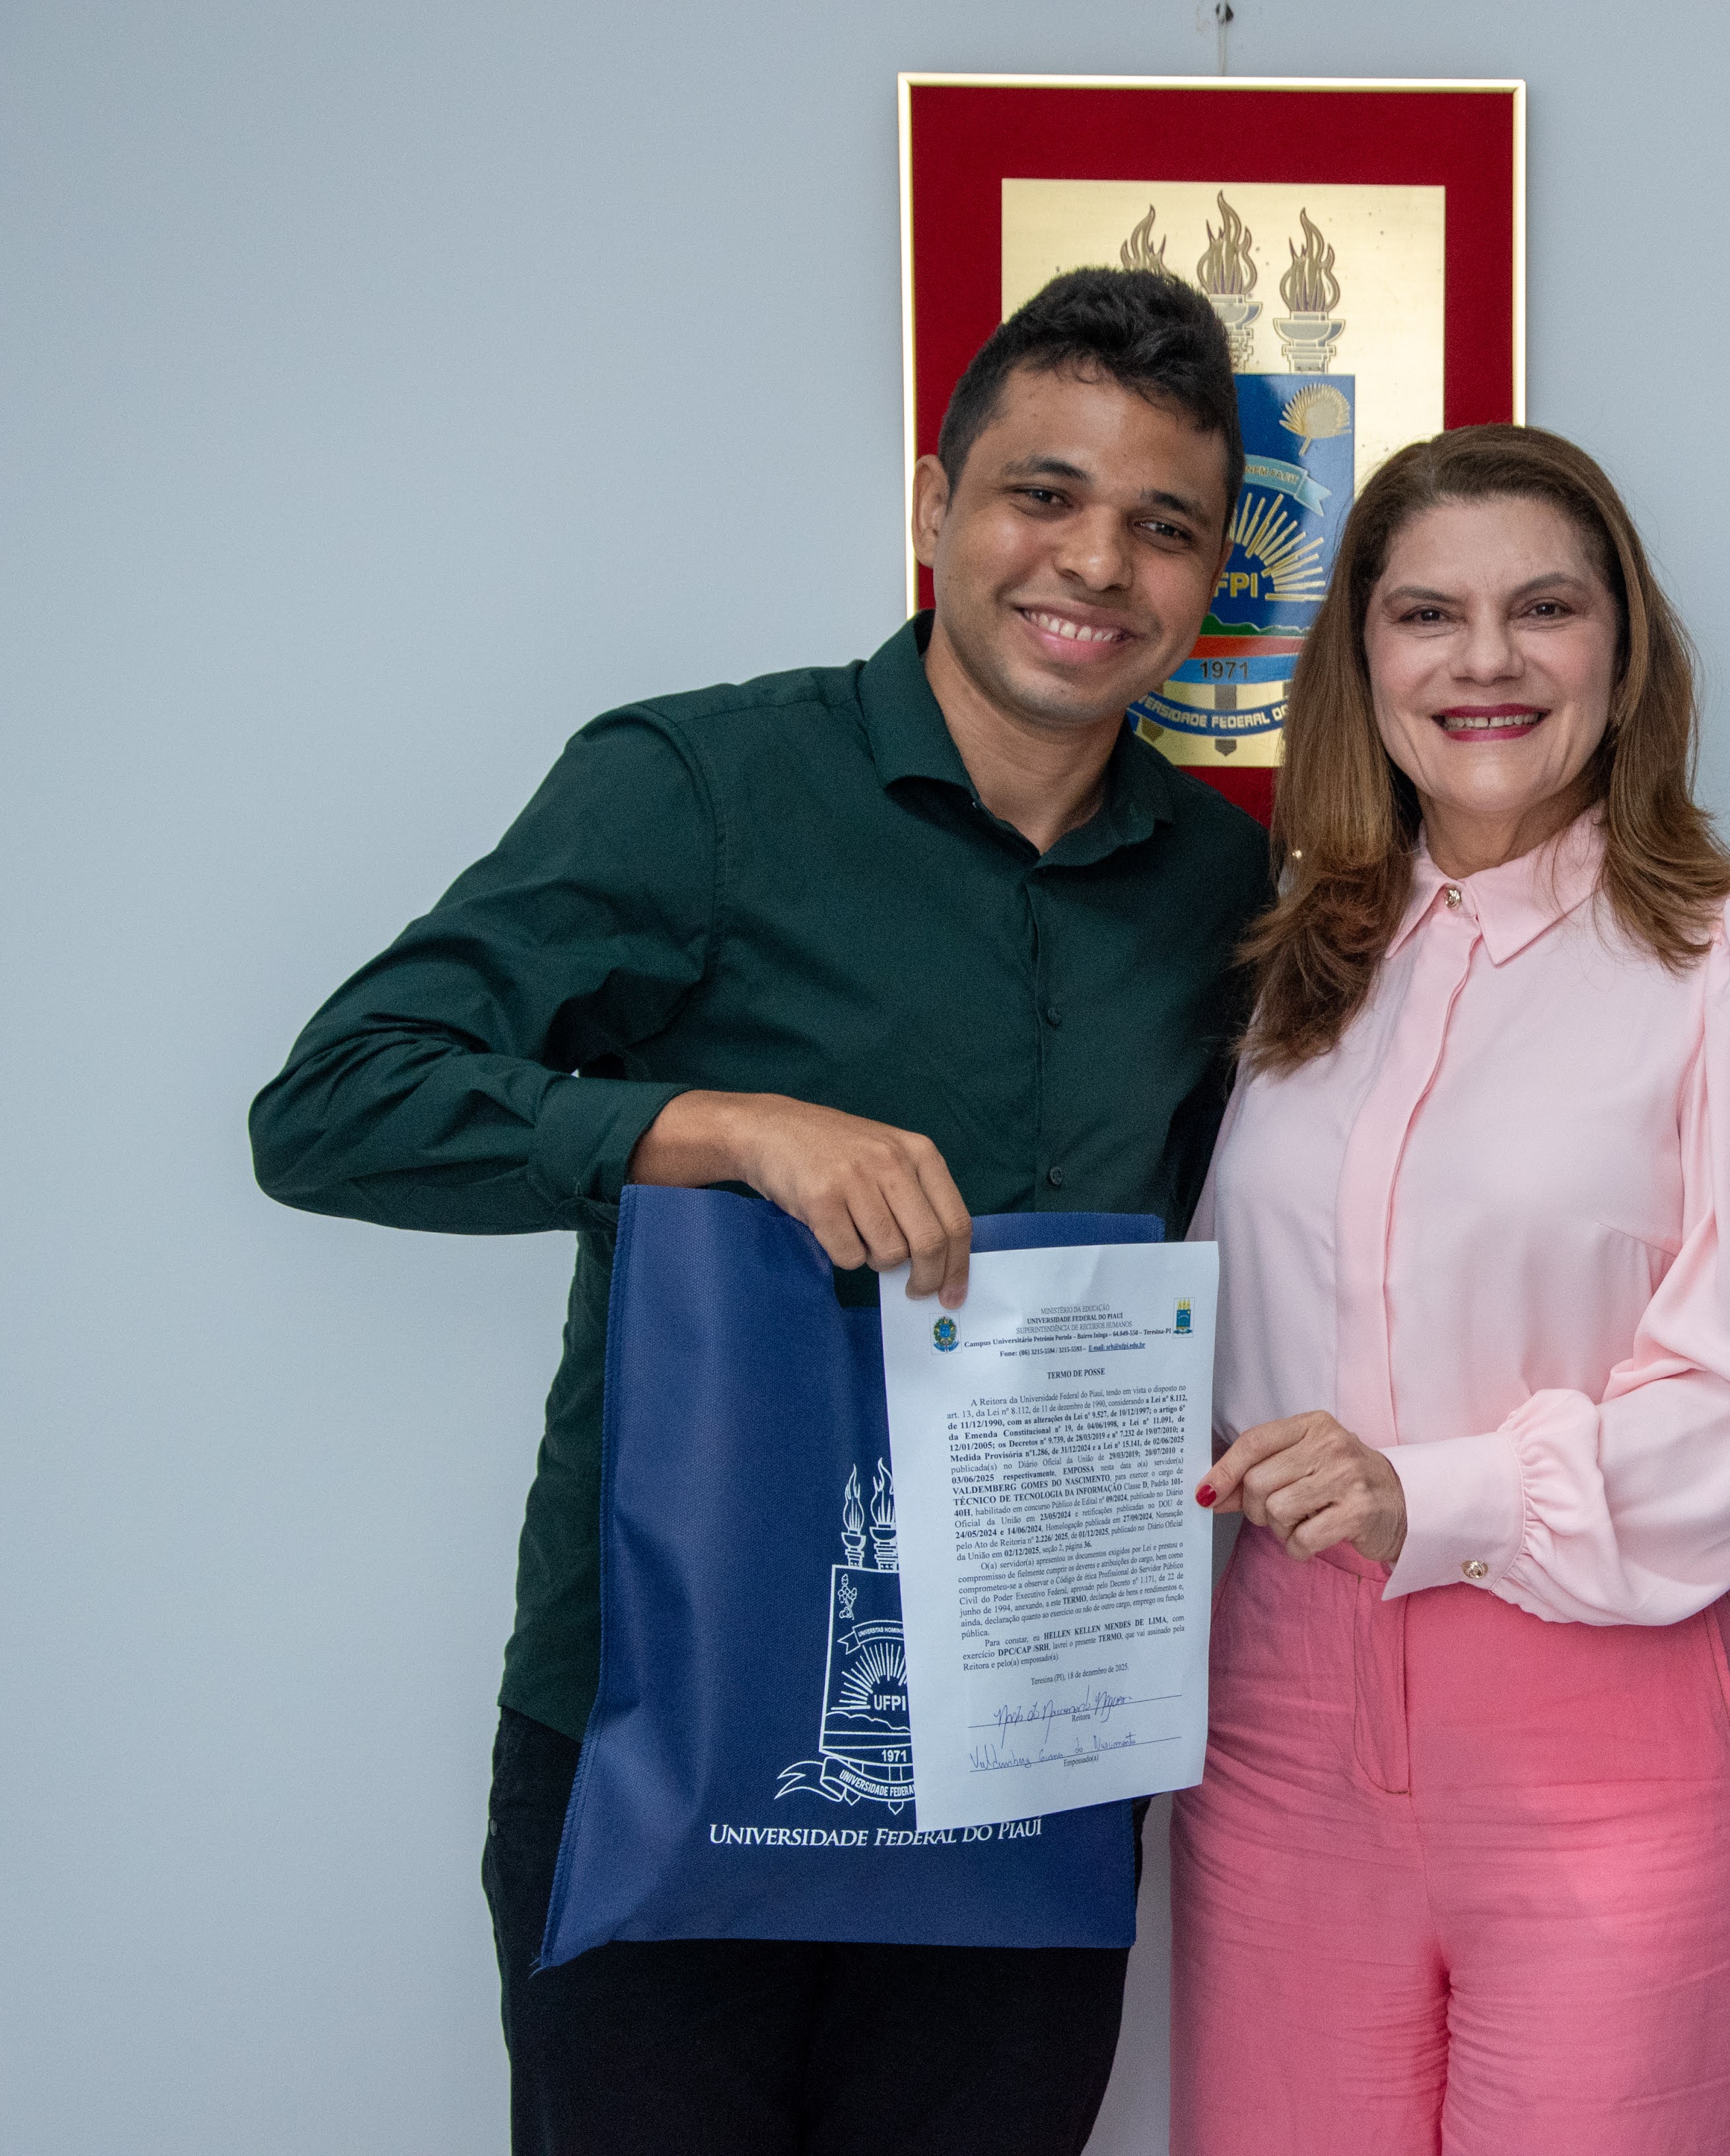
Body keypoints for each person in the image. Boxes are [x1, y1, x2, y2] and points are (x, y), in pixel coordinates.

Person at [249, 268, 1274, 2153]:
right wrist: (710, 1125)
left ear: (1212, 575)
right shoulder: (696, 785)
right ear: (933, 505)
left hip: (1039, 1734)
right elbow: (332, 1107)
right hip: (673, 1712)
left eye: (1163, 525)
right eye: (1042, 494)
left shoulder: (1226, 883)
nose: (1095, 564)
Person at [1173, 425, 1730, 2155]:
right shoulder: (1292, 963)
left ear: (1625, 652)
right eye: (1427, 615)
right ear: (1362, 664)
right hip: (1278, 1718)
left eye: (1543, 609)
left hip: (1611, 1730)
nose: (1484, 660)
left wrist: (1430, 1491)